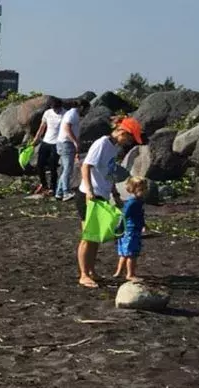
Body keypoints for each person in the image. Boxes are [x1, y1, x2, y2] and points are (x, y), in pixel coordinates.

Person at [77, 117, 143, 288]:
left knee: (96, 236)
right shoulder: (102, 144)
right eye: (128, 138)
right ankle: (83, 274)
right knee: (88, 236)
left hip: (102, 195)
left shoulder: (113, 148)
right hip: (88, 195)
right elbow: (86, 166)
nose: (127, 142)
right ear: (121, 131)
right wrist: (90, 190)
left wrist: (114, 192)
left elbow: (109, 172)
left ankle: (91, 270)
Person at [114, 176, 149, 281]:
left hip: (131, 228)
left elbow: (139, 215)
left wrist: (143, 224)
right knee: (131, 253)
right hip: (131, 229)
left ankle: (119, 272)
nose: (143, 192)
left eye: (145, 189)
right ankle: (130, 274)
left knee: (124, 252)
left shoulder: (137, 201)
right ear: (133, 189)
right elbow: (124, 215)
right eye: (141, 190)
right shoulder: (133, 202)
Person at [30, 97, 63, 197]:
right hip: (46, 141)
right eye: (54, 108)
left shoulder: (65, 114)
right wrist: (36, 139)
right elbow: (42, 126)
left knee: (53, 166)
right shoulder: (48, 113)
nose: (55, 110)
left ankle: (53, 187)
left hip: (57, 143)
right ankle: (44, 185)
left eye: (57, 108)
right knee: (40, 164)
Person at [57, 100, 84, 201]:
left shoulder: (71, 113)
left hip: (64, 143)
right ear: (81, 107)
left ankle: (59, 192)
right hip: (66, 143)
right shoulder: (73, 114)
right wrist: (75, 141)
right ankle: (66, 192)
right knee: (68, 169)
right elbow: (67, 128)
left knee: (65, 169)